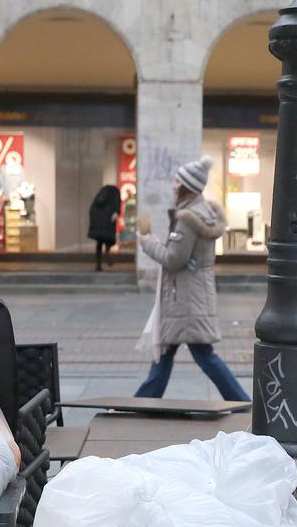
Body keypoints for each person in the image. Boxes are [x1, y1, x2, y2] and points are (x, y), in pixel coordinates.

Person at [133, 156, 249, 401]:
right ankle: (143, 400)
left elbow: (175, 259)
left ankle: (242, 401)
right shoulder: (200, 212)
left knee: (201, 353)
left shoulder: (188, 218)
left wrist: (147, 242)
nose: (173, 185)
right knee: (167, 351)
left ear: (187, 186)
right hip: (191, 294)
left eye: (177, 181)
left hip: (185, 298)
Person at [88, 184, 120, 271]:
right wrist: (116, 212)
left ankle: (98, 264)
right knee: (108, 240)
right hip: (107, 225)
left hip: (99, 226)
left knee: (99, 243)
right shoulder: (115, 194)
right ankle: (107, 253)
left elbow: (92, 210)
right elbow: (117, 206)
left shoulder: (99, 199)